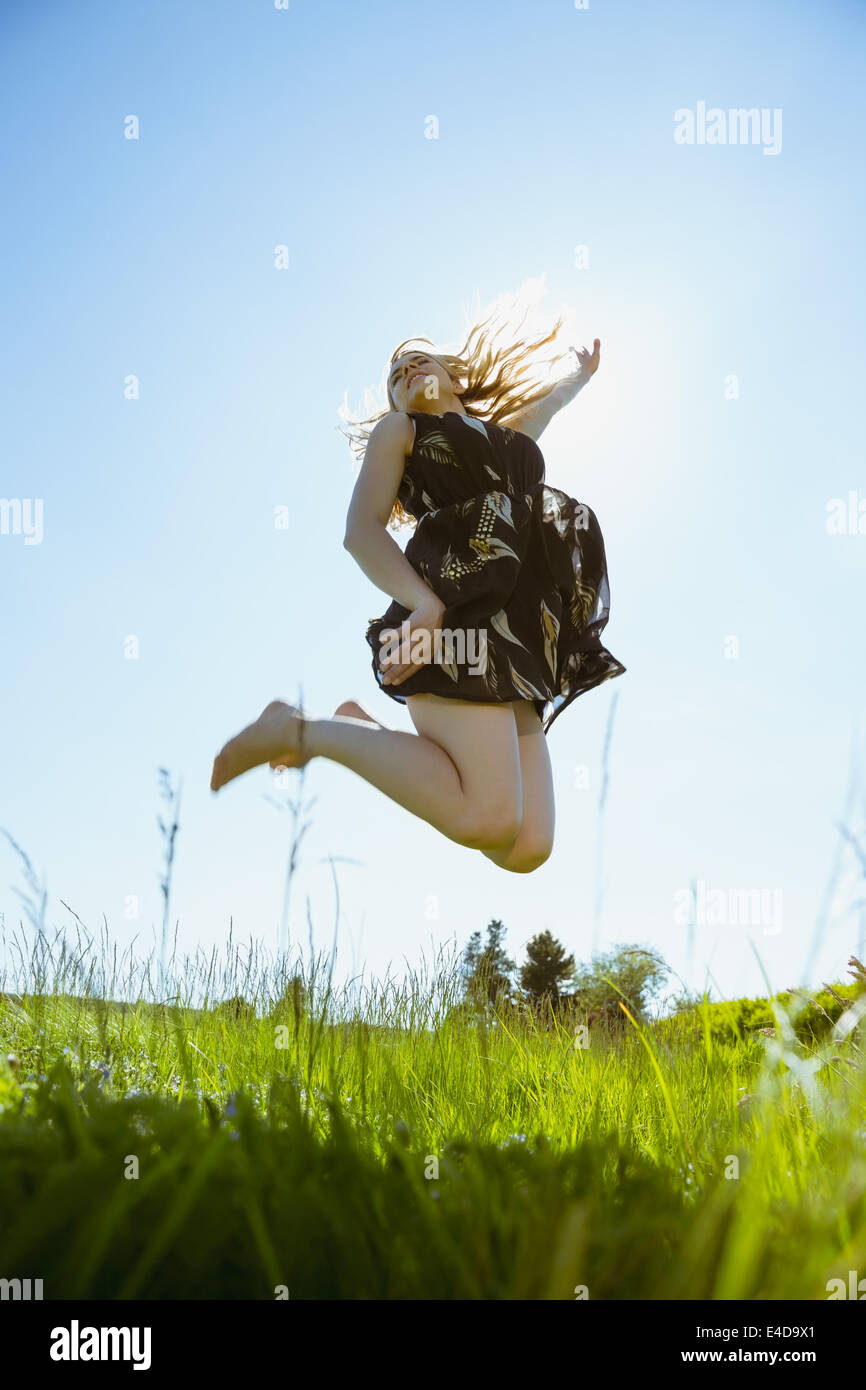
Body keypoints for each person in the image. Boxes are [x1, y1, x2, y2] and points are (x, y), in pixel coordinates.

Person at [210, 305, 625, 873]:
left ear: (453, 378)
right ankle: (302, 732)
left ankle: (361, 732)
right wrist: (425, 608)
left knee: (527, 848)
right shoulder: (403, 431)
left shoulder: (508, 441)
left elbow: (542, 409)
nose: (404, 370)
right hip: (456, 618)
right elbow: (361, 532)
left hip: (521, 636)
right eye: (394, 375)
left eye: (418, 360)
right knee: (488, 819)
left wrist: (578, 377)